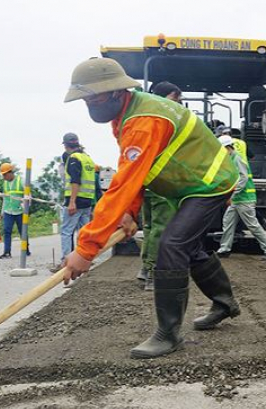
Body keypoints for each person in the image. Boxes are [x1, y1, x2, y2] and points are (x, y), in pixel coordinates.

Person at [62, 57, 240, 359]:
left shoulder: (144, 121)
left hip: (208, 184)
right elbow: (131, 171)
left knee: (171, 246)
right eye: (86, 99)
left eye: (96, 97)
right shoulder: (127, 114)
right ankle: (225, 303)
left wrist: (86, 248)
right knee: (189, 247)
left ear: (118, 91)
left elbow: (123, 183)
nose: (91, 104)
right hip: (186, 186)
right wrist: (130, 212)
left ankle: (167, 335)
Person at [137, 81, 184, 291]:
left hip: (145, 181)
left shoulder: (143, 118)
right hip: (160, 183)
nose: (179, 105)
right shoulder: (165, 122)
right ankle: (153, 274)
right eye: (176, 100)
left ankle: (145, 269)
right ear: (164, 97)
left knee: (149, 228)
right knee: (159, 228)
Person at [216, 135, 266, 260]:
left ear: (228, 147)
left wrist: (231, 195)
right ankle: (224, 249)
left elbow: (243, 178)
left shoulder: (237, 159)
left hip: (244, 199)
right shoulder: (231, 159)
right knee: (228, 223)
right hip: (238, 199)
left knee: (253, 225)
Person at [53, 133, 96, 272]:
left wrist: (72, 202)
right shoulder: (87, 158)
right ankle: (84, 259)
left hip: (76, 201)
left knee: (66, 231)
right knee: (83, 232)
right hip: (87, 200)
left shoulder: (73, 158)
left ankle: (66, 261)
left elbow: (75, 181)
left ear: (65, 145)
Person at [0, 163, 30, 259]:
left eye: (5, 175)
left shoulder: (21, 181)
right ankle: (7, 252)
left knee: (23, 231)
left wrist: (26, 209)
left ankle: (26, 250)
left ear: (10, 173)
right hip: (8, 211)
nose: (4, 177)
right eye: (3, 175)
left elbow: (28, 196)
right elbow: (5, 198)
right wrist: (2, 212)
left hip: (20, 211)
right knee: (6, 231)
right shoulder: (5, 183)